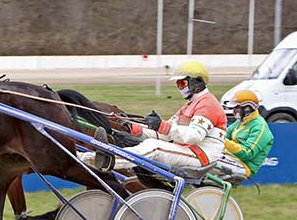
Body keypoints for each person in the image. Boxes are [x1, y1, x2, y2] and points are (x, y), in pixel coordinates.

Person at [79, 60, 227, 171]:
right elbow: (166, 134)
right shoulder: (189, 105)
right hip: (188, 151)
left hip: (201, 156)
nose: (179, 88)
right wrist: (135, 129)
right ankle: (83, 158)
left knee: (154, 147)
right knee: (148, 143)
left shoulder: (208, 104)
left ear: (196, 82)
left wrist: (161, 125)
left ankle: (108, 161)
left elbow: (193, 136)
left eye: (182, 83)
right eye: (178, 84)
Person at [214, 89, 274, 182]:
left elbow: (247, 153)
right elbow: (224, 134)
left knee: (207, 161)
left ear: (248, 108)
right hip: (230, 159)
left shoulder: (260, 127)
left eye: (236, 108)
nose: (233, 111)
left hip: (244, 167)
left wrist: (222, 139)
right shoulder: (239, 122)